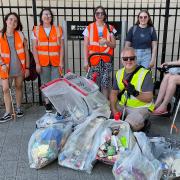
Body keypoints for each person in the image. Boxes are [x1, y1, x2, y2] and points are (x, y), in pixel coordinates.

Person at [110, 47, 154, 131]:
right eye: (125, 59)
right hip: (123, 105)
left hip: (140, 108)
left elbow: (149, 98)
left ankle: (144, 124)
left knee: (127, 127)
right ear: (122, 60)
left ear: (136, 59)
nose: (129, 61)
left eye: (132, 58)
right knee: (104, 115)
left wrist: (134, 92)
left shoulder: (145, 74)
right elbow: (114, 93)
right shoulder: (119, 73)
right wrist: (114, 109)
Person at [32, 8, 64, 113]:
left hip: (55, 61)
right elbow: (34, 48)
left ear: (52, 17)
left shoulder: (58, 29)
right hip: (43, 62)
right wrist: (37, 63)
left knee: (56, 83)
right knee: (46, 83)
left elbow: (62, 47)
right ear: (41, 17)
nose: (47, 16)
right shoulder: (36, 30)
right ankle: (47, 103)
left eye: (49, 14)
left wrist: (61, 61)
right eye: (45, 14)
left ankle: (57, 103)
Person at [0, 12, 30, 122]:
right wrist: (1, 63)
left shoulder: (21, 35)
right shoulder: (0, 35)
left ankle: (18, 108)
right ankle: (8, 112)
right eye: (11, 19)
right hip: (4, 68)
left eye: (15, 21)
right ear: (6, 21)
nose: (13, 22)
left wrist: (27, 67)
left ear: (17, 24)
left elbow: (26, 52)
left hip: (19, 68)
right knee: (5, 89)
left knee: (18, 87)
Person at [83, 5, 116, 99]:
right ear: (95, 15)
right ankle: (95, 106)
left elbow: (114, 45)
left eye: (102, 13)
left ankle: (105, 106)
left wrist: (106, 41)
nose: (100, 15)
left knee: (105, 84)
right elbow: (85, 45)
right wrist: (85, 61)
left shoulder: (110, 28)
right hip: (93, 60)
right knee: (92, 84)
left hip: (106, 60)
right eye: (98, 13)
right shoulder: (89, 28)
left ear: (104, 15)